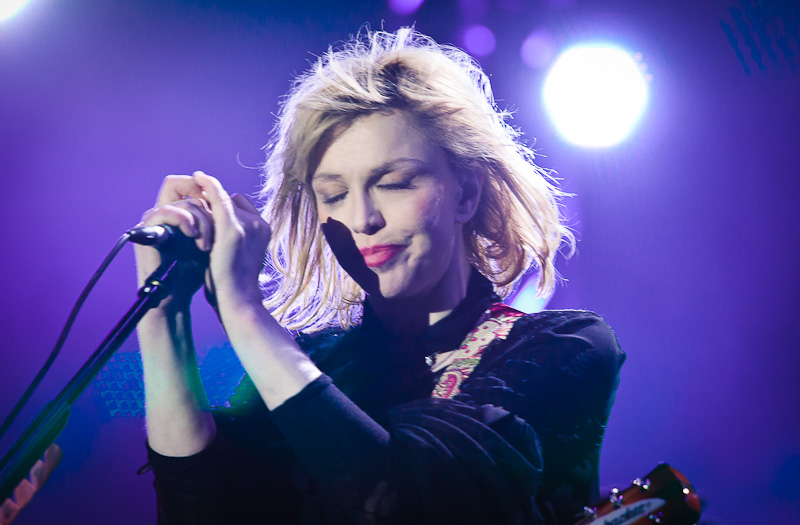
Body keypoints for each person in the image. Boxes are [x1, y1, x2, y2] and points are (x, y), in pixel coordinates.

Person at [134, 28, 625, 524]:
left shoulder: (563, 347)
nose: (364, 219)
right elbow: (200, 508)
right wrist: (160, 318)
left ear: (466, 194)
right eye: (333, 194)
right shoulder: (311, 362)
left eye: (393, 183)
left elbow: (402, 504)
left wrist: (245, 312)